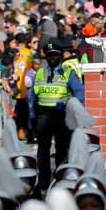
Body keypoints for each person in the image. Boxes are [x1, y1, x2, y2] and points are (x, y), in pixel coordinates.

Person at [29, 40, 85, 192]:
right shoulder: (40, 72)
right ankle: (43, 181)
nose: (52, 58)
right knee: (43, 151)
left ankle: (60, 179)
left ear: (60, 56)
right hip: (43, 116)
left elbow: (79, 92)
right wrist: (32, 117)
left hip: (62, 116)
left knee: (62, 149)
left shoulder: (68, 72)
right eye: (49, 55)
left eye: (55, 55)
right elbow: (32, 97)